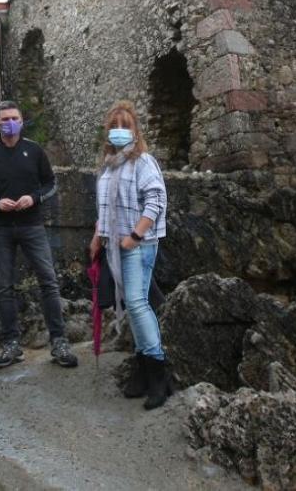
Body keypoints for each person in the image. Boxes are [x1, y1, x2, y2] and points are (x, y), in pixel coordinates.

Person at [0, 100, 78, 369]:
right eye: (4, 119)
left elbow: (51, 183)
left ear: (21, 120)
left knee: (49, 282)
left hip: (32, 226)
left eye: (14, 118)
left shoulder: (34, 150)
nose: (9, 123)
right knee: (4, 286)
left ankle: (59, 342)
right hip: (0, 229)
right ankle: (10, 344)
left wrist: (34, 197)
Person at [87, 100, 171, 410]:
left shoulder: (143, 162)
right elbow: (104, 210)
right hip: (114, 247)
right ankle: (141, 366)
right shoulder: (109, 165)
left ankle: (158, 373)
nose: (120, 131)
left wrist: (135, 236)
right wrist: (98, 237)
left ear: (135, 131)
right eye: (114, 126)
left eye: (126, 125)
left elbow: (156, 200)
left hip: (139, 243)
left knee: (136, 303)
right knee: (131, 304)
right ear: (107, 133)